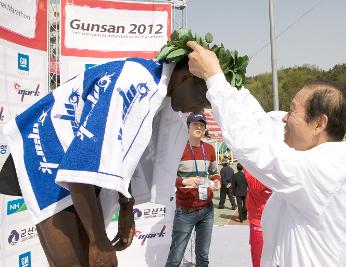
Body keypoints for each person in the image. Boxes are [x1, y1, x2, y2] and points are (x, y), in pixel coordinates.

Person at [2, 57, 210, 267]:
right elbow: (80, 165)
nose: (198, 110)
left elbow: (122, 153)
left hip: (74, 159)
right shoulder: (137, 82)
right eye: (201, 100)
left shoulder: (155, 85)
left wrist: (126, 207)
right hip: (48, 148)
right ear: (186, 77)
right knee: (74, 263)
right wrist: (98, 241)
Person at [186, 41, 346, 267]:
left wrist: (214, 78)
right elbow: (265, 125)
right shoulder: (319, 153)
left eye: (292, 110)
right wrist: (230, 81)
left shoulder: (325, 170)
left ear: (318, 123)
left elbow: (252, 145)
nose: (285, 117)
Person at [165, 112, 221, 267]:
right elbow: (166, 177)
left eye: (202, 125)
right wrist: (184, 180)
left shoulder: (209, 149)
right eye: (195, 124)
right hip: (185, 210)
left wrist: (217, 181)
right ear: (188, 127)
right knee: (175, 257)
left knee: (203, 257)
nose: (199, 127)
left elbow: (214, 172)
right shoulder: (178, 149)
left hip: (207, 210)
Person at [243, 169, 272, 267]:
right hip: (258, 218)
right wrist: (272, 173)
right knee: (258, 258)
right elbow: (254, 185)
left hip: (281, 216)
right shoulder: (251, 159)